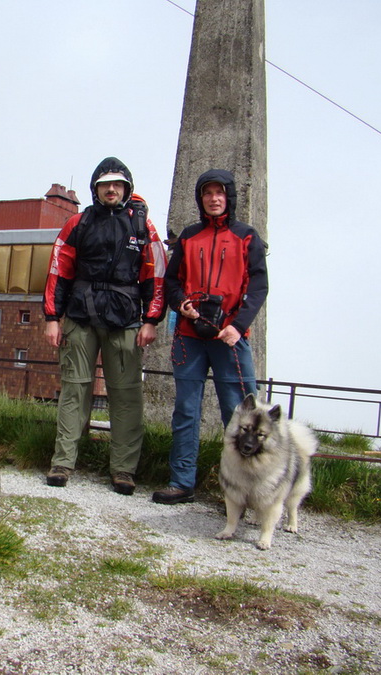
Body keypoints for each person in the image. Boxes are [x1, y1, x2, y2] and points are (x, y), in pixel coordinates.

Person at [43, 157, 167, 495]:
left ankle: (124, 470)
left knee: (126, 396)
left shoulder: (143, 227)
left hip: (125, 321)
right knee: (74, 389)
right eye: (104, 184)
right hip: (80, 318)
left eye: (117, 184)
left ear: (127, 188)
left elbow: (156, 276)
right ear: (95, 189)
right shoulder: (77, 224)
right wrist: (53, 318)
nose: (111, 189)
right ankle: (62, 463)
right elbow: (59, 270)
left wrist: (152, 320)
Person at [152, 169, 268, 505]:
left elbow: (259, 286)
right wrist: (182, 304)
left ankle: (244, 492)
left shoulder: (247, 237)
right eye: (207, 193)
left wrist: (238, 325)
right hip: (190, 336)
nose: (213, 199)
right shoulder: (188, 237)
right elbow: (172, 282)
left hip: (230, 338)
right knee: (186, 411)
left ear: (229, 197)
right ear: (200, 199)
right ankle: (181, 481)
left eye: (219, 193)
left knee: (240, 415)